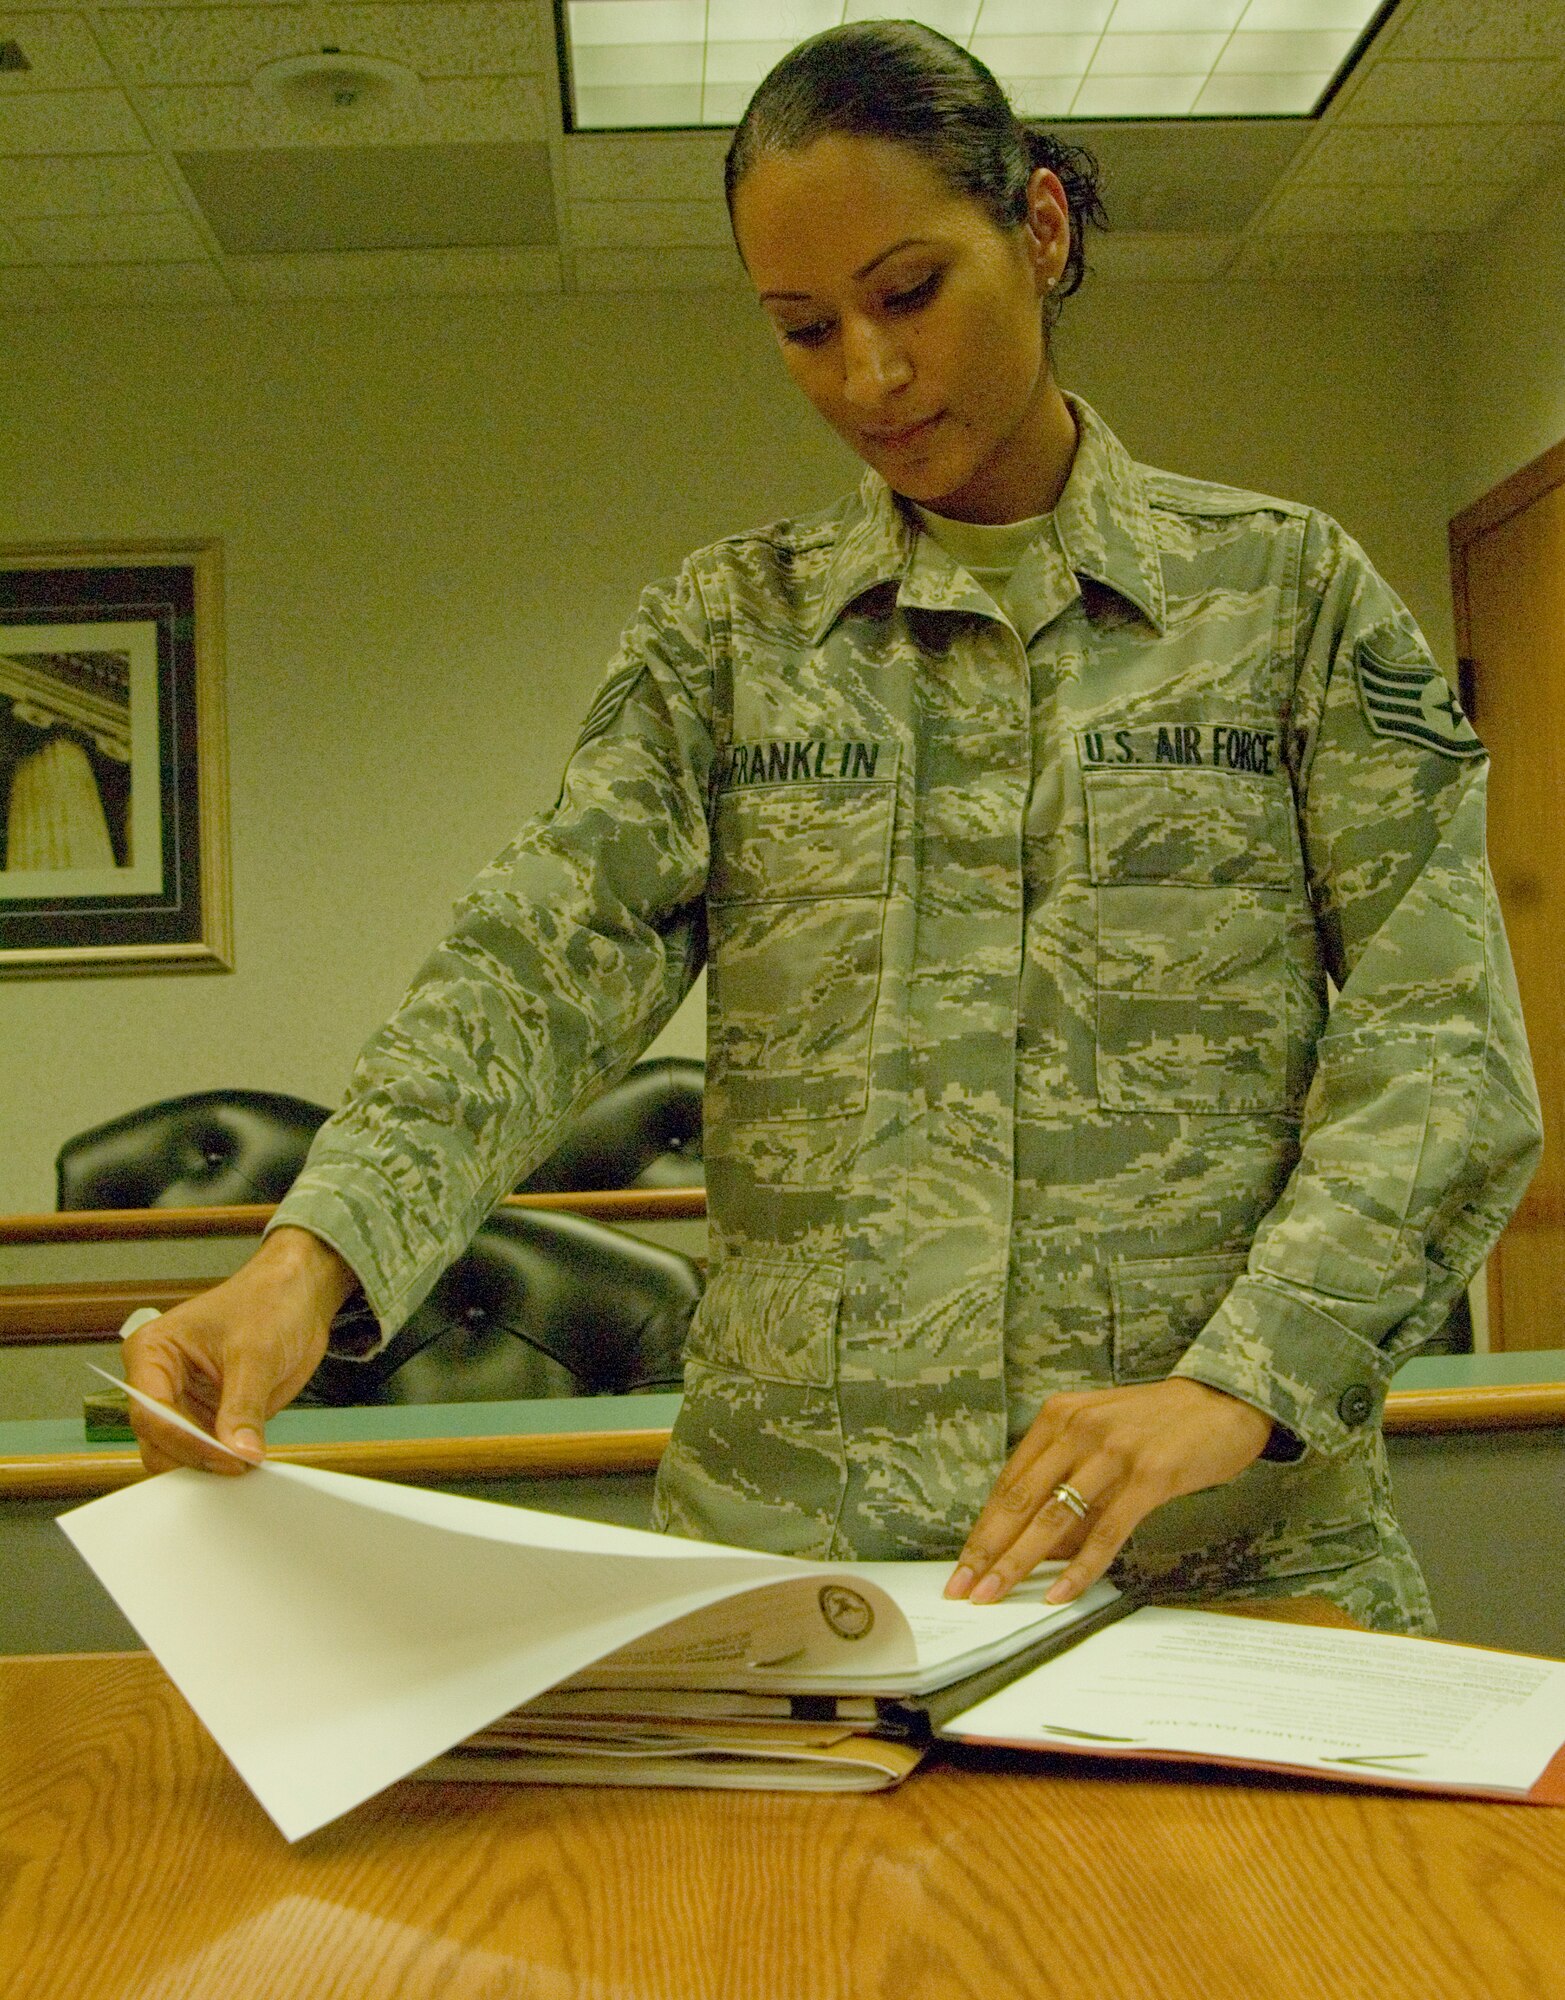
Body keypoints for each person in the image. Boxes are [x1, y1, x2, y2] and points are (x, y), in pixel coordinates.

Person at [126, 22, 1541, 1633]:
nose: (866, 375)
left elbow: (1441, 1051)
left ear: (1044, 230)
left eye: (908, 294)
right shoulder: (732, 637)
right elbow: (528, 970)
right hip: (808, 1571)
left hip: (1220, 1570)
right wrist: (303, 1263)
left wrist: (1244, 1376)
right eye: (803, 328)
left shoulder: (1283, 601)